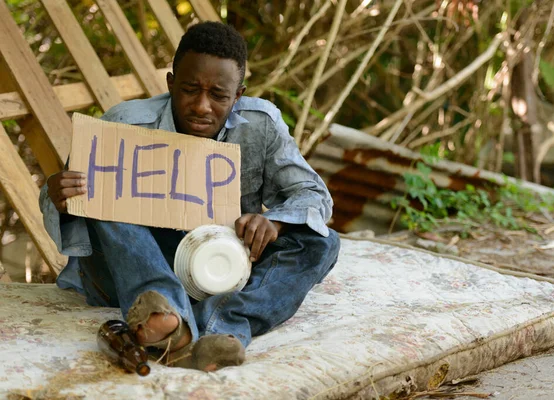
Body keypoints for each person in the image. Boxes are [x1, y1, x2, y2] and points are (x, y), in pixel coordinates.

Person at [40, 22, 340, 372]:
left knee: (322, 241)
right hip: (134, 265)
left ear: (239, 94)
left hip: (220, 266)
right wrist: (59, 197)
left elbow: (314, 195)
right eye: (189, 89)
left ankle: (215, 330)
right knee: (106, 194)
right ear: (170, 84)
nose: (201, 106)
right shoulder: (124, 126)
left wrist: (273, 221)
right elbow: (69, 213)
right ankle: (162, 314)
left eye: (218, 95)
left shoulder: (261, 124)